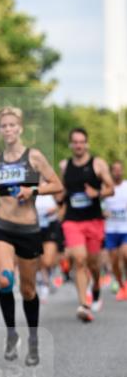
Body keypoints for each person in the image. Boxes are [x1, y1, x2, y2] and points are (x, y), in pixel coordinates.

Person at [0, 107, 63, 363]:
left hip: (28, 229)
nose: (7, 129)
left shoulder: (34, 156)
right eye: (3, 125)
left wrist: (33, 190)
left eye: (11, 125)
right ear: (0, 130)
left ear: (20, 128)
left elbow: (57, 184)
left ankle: (34, 338)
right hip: (2, 226)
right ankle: (11, 333)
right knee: (6, 281)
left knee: (28, 290)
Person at [60, 128, 114, 322]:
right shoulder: (65, 165)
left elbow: (110, 189)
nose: (78, 145)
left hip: (94, 220)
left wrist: (97, 193)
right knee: (79, 259)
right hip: (72, 220)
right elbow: (62, 190)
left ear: (87, 143)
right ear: (71, 144)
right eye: (75, 142)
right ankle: (84, 304)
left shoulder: (97, 164)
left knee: (93, 263)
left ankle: (96, 285)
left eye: (82, 141)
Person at [103, 160, 127, 300]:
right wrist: (103, 212)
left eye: (120, 169)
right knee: (114, 262)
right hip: (111, 230)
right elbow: (98, 205)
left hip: (125, 229)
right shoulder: (106, 188)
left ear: (122, 171)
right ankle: (121, 286)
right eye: (115, 170)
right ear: (111, 172)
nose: (117, 172)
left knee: (125, 255)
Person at [35, 192, 64, 300]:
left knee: (48, 260)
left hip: (51, 226)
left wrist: (55, 210)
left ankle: (49, 276)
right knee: (38, 257)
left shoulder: (52, 187)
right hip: (35, 226)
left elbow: (62, 204)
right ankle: (44, 282)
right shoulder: (30, 185)